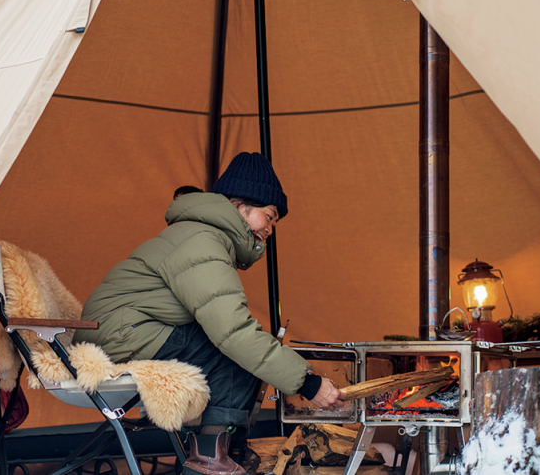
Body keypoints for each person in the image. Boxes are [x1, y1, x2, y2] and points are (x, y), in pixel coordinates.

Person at [74, 152, 344, 475]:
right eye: (269, 217)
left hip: (124, 332)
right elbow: (234, 333)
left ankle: (211, 457)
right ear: (238, 205)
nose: (271, 229)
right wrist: (308, 383)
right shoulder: (203, 241)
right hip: (120, 336)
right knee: (237, 355)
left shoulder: (202, 235)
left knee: (236, 351)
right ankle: (209, 463)